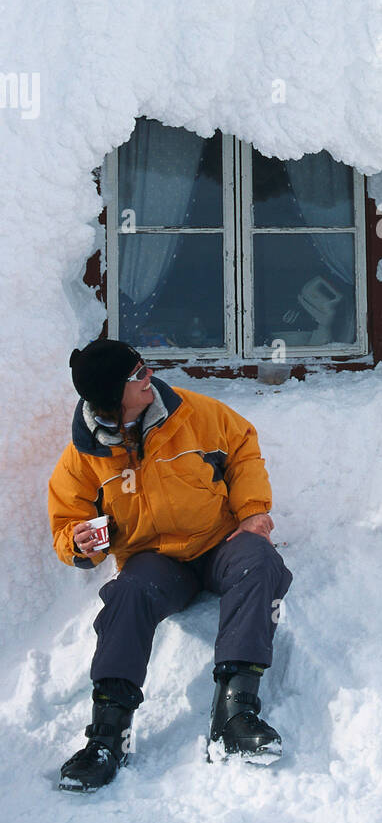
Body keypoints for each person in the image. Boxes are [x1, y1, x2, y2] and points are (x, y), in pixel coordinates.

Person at [48, 339, 292, 793]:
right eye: (137, 373)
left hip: (219, 543)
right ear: (111, 397)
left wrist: (253, 511)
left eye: (144, 367)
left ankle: (236, 713)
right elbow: (67, 521)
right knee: (126, 595)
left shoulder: (193, 413)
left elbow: (243, 446)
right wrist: (79, 543)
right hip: (154, 560)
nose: (149, 376)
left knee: (261, 562)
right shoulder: (83, 456)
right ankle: (107, 735)